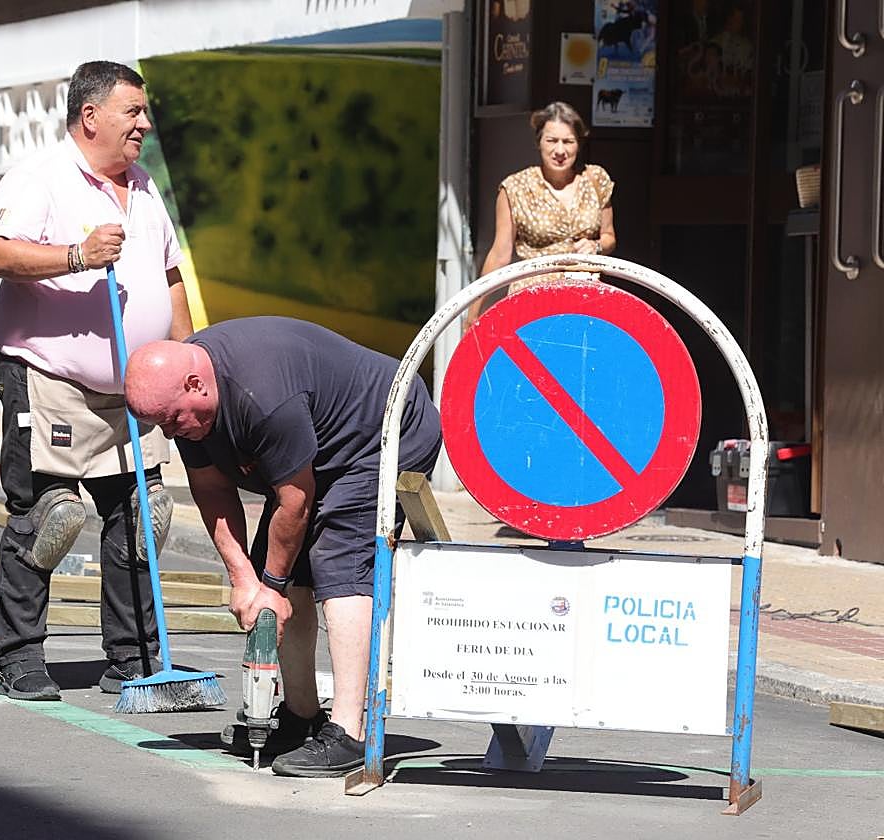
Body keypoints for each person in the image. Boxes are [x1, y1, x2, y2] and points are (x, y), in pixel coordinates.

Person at [123, 317, 443, 777]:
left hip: (384, 430)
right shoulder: (188, 405)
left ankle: (350, 733)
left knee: (339, 562)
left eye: (172, 420)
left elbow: (295, 499)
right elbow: (212, 492)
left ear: (196, 384)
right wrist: (244, 580)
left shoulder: (262, 396)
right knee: (281, 575)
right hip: (319, 447)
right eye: (160, 426)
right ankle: (301, 717)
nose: (170, 433)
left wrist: (269, 584)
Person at [0, 61, 193, 701]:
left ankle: (134, 659)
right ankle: (20, 657)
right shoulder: (39, 177)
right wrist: (78, 256)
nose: (144, 124)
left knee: (142, 517)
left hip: (134, 383)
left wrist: (188, 357)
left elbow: (171, 274)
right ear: (90, 115)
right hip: (49, 378)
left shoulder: (146, 186)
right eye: (133, 112)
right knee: (51, 516)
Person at [465, 101, 617, 322]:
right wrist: (473, 312)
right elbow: (499, 254)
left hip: (585, 295)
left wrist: (596, 245)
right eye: (552, 141)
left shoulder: (595, 179)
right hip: (532, 299)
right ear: (539, 143)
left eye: (568, 141)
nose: (560, 151)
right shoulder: (515, 187)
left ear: (579, 144)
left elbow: (610, 237)